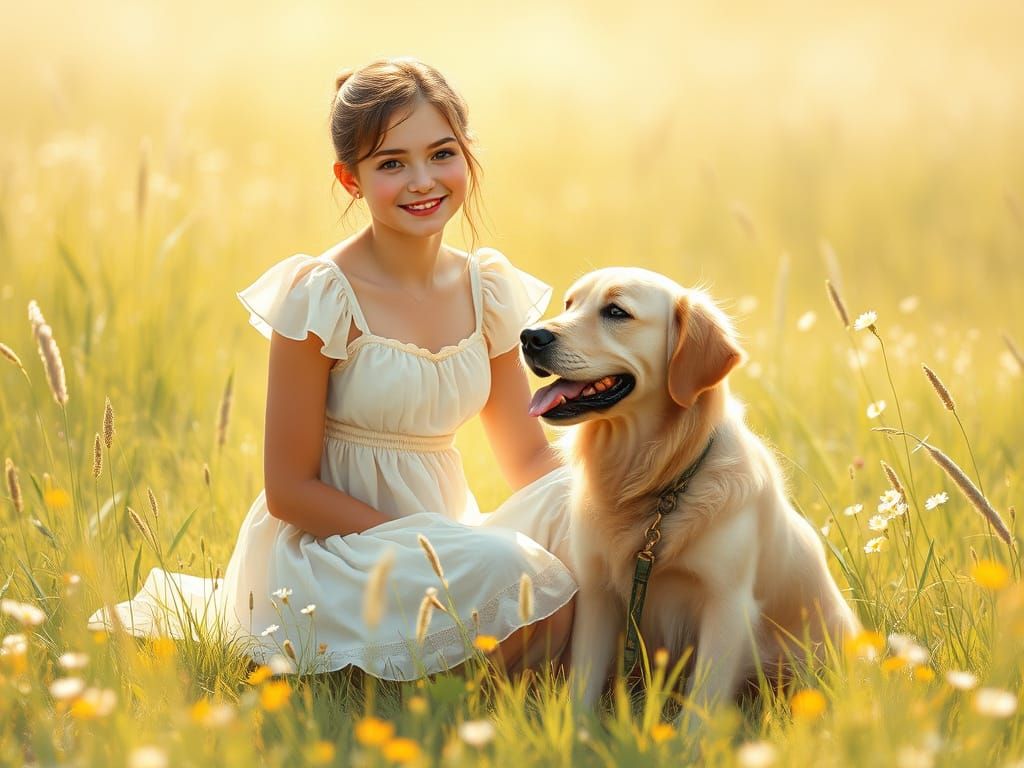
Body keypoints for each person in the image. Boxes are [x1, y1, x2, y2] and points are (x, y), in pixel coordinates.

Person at [89, 58, 577, 680]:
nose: (423, 181)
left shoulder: (487, 288)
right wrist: (425, 539)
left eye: (442, 153)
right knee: (510, 569)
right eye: (391, 164)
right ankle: (453, 695)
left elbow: (528, 461)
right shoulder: (322, 295)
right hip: (333, 550)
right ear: (351, 180)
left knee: (574, 506)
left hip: (445, 537)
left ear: (468, 156)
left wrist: (625, 480)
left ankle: (620, 666)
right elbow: (290, 490)